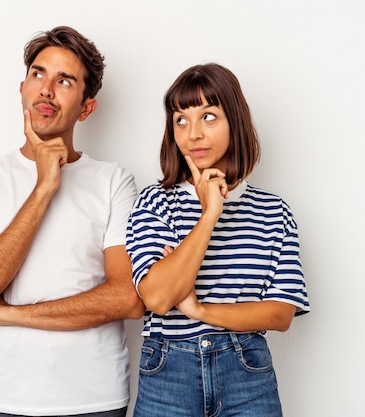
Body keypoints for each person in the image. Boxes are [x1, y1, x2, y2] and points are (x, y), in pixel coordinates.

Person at [0, 26, 144, 417]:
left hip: (95, 398)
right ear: (22, 88)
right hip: (3, 397)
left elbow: (126, 298)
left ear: (87, 107)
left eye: (65, 80)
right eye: (38, 74)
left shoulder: (114, 181)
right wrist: (43, 188)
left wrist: (13, 313)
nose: (46, 90)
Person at [125, 63, 310, 417]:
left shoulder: (274, 211)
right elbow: (159, 297)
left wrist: (199, 310)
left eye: (208, 117)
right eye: (181, 120)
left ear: (234, 122)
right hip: (168, 374)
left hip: (247, 374)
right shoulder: (154, 201)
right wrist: (210, 214)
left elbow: (280, 313)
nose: (192, 133)